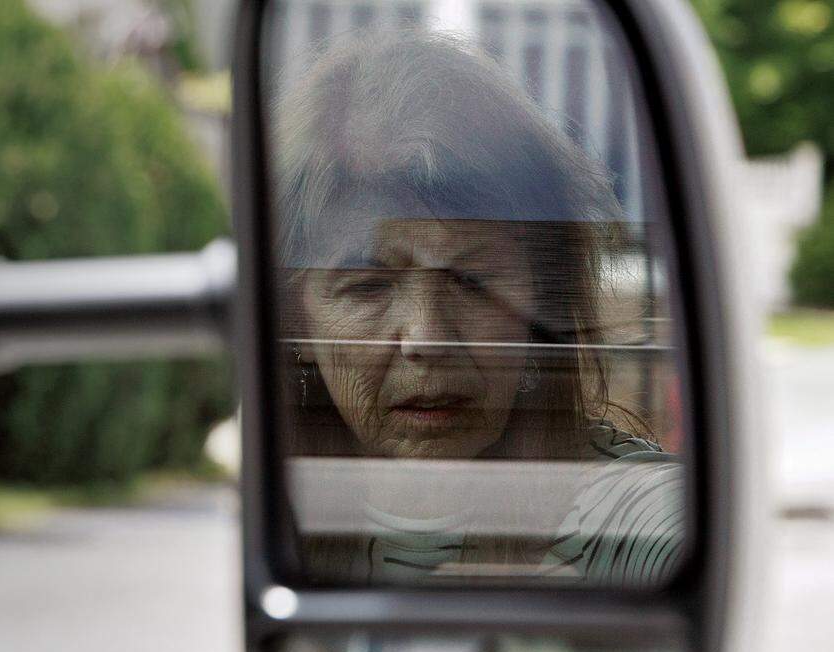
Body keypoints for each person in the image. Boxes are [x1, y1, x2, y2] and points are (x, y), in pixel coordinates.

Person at [271, 30, 683, 587]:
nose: (428, 337)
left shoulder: (634, 515)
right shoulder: (257, 517)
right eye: (368, 286)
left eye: (473, 281)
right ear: (296, 319)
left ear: (541, 303)